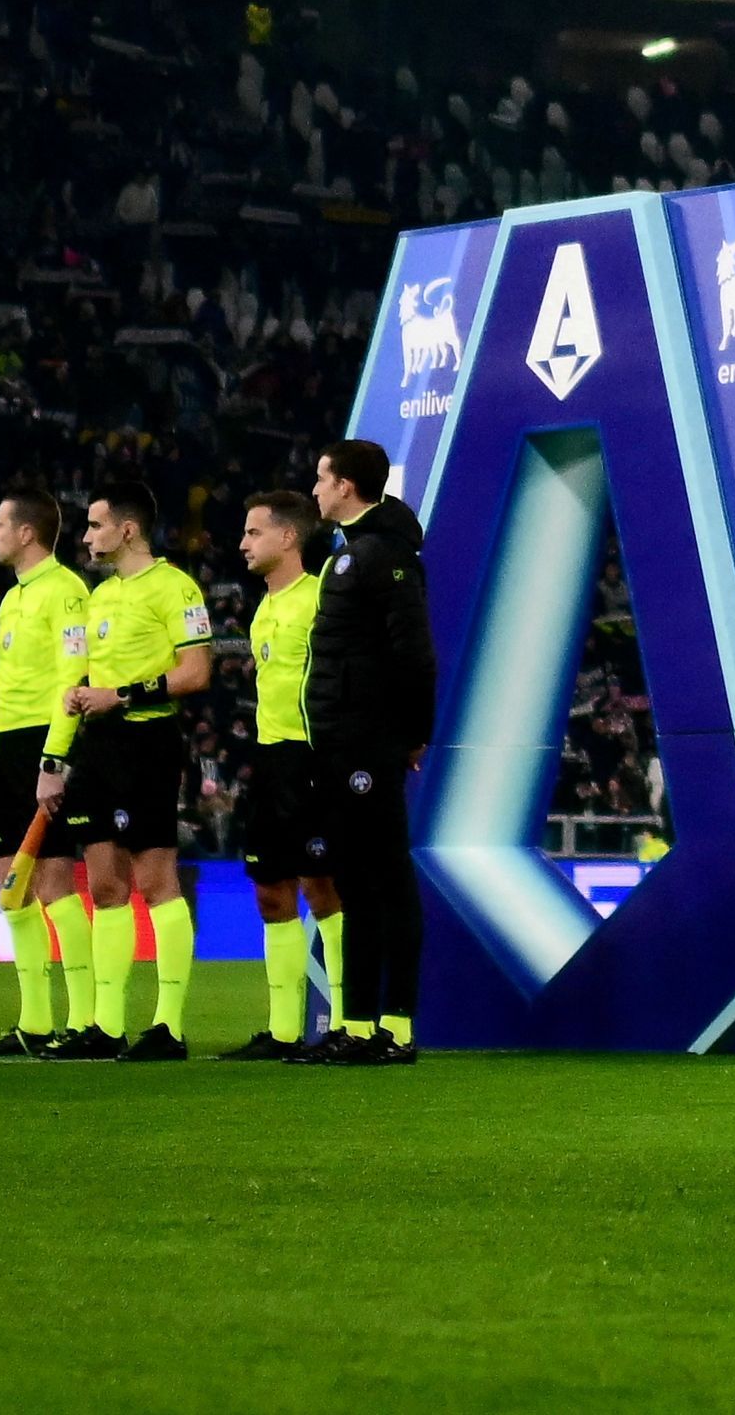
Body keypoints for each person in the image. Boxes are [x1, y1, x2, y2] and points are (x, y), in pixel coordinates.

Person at [54, 486, 216, 1061]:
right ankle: (107, 1025)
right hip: (99, 745)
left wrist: (118, 694)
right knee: (103, 886)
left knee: (155, 883)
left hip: (148, 739)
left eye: (96, 525)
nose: (87, 535)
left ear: (128, 530)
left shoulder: (176, 587)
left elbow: (196, 671)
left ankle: (169, 1027)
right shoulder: (99, 596)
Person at [305, 435, 440, 1065]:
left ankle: (398, 1027)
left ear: (347, 487)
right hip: (341, 740)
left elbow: (414, 653)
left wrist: (413, 733)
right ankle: (357, 1026)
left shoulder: (384, 556)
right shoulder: (354, 553)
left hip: (368, 740)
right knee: (357, 882)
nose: (314, 490)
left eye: (322, 479)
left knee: (386, 877)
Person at [0, 488, 89, 1061]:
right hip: (8, 748)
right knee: (11, 890)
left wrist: (53, 760)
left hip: (43, 746)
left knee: (56, 888)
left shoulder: (66, 593)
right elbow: (5, 694)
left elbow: (72, 677)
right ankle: (34, 1023)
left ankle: (86, 1022)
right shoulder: (12, 600)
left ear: (27, 533)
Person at [224, 490, 339, 1062]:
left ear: (288, 537)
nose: (243, 543)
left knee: (324, 888)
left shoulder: (320, 598)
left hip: (313, 756)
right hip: (272, 760)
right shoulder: (264, 608)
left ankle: (345, 1024)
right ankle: (284, 1030)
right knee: (271, 893)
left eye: (253, 532)